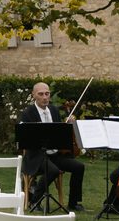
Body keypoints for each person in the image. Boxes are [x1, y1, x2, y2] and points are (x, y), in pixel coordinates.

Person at [18, 81, 85, 212]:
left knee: (79, 167)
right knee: (53, 171)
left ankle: (73, 203)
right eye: (41, 94)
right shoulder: (28, 113)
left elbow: (59, 136)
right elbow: (24, 139)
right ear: (34, 95)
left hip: (54, 155)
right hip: (36, 156)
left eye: (47, 94)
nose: (45, 97)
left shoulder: (54, 110)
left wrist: (68, 126)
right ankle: (34, 201)